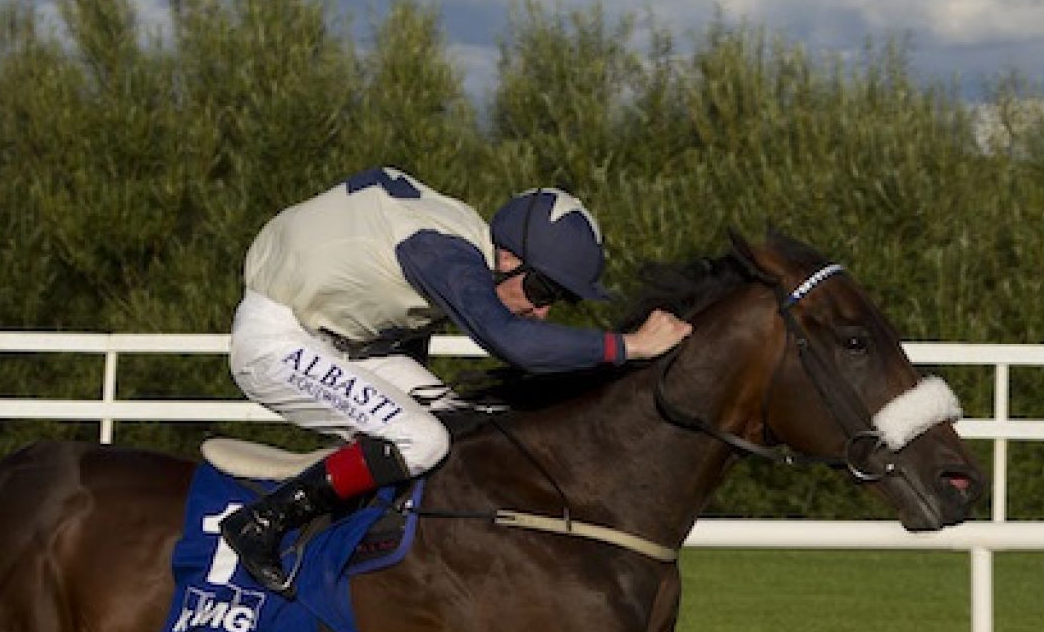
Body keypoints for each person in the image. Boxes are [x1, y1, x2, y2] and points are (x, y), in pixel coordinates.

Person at [221, 166, 693, 596]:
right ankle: (260, 523)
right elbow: (516, 343)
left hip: (347, 342)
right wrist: (629, 347)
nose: (542, 311)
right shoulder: (446, 254)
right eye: (542, 290)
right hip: (278, 338)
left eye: (557, 300)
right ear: (507, 258)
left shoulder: (467, 241)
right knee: (421, 440)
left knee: (468, 427)